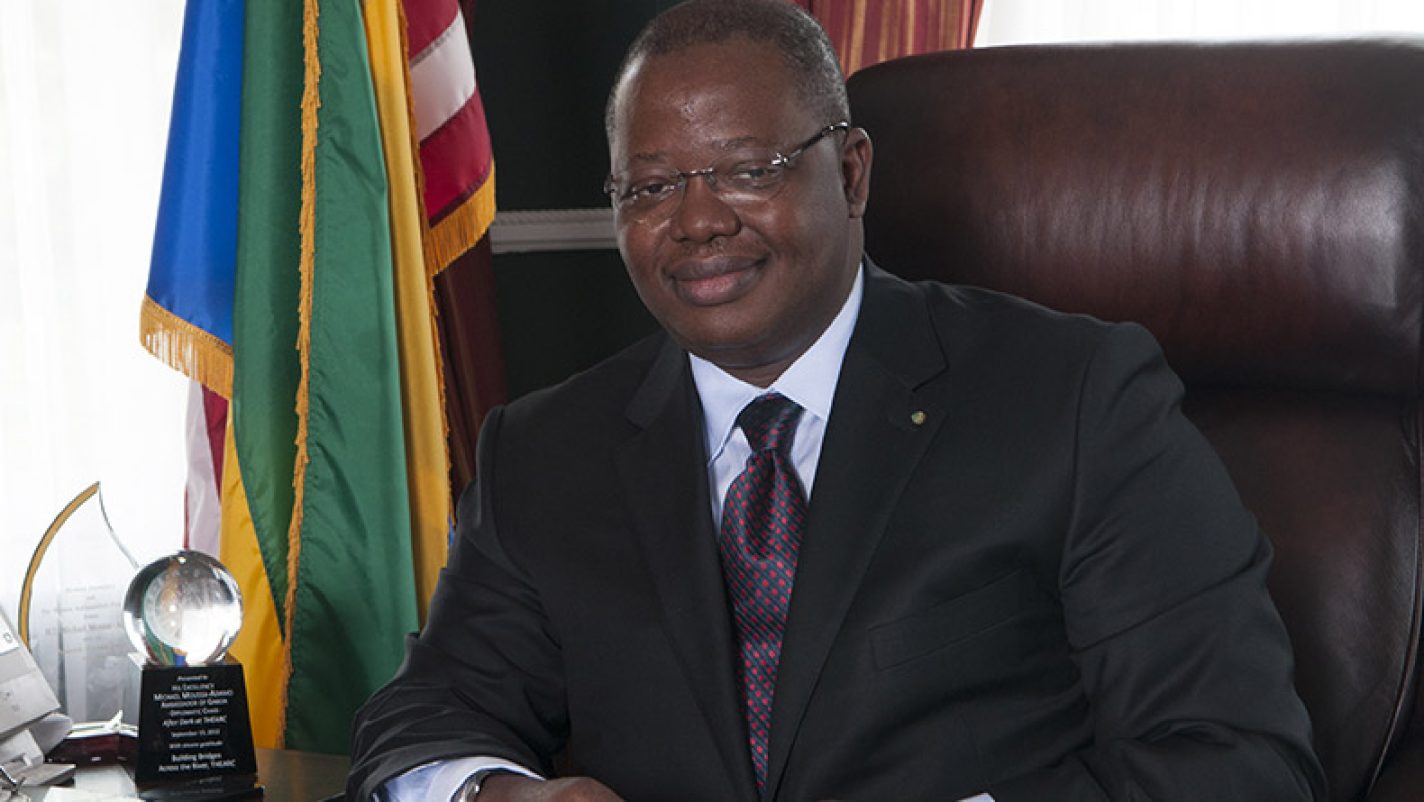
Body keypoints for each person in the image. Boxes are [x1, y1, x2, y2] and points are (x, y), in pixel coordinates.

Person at [348, 1, 1326, 799]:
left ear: (851, 173)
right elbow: (424, 722)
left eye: (748, 171)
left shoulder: (1072, 400)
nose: (696, 220)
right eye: (649, 188)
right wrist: (488, 793)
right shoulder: (543, 452)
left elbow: (1233, 758)